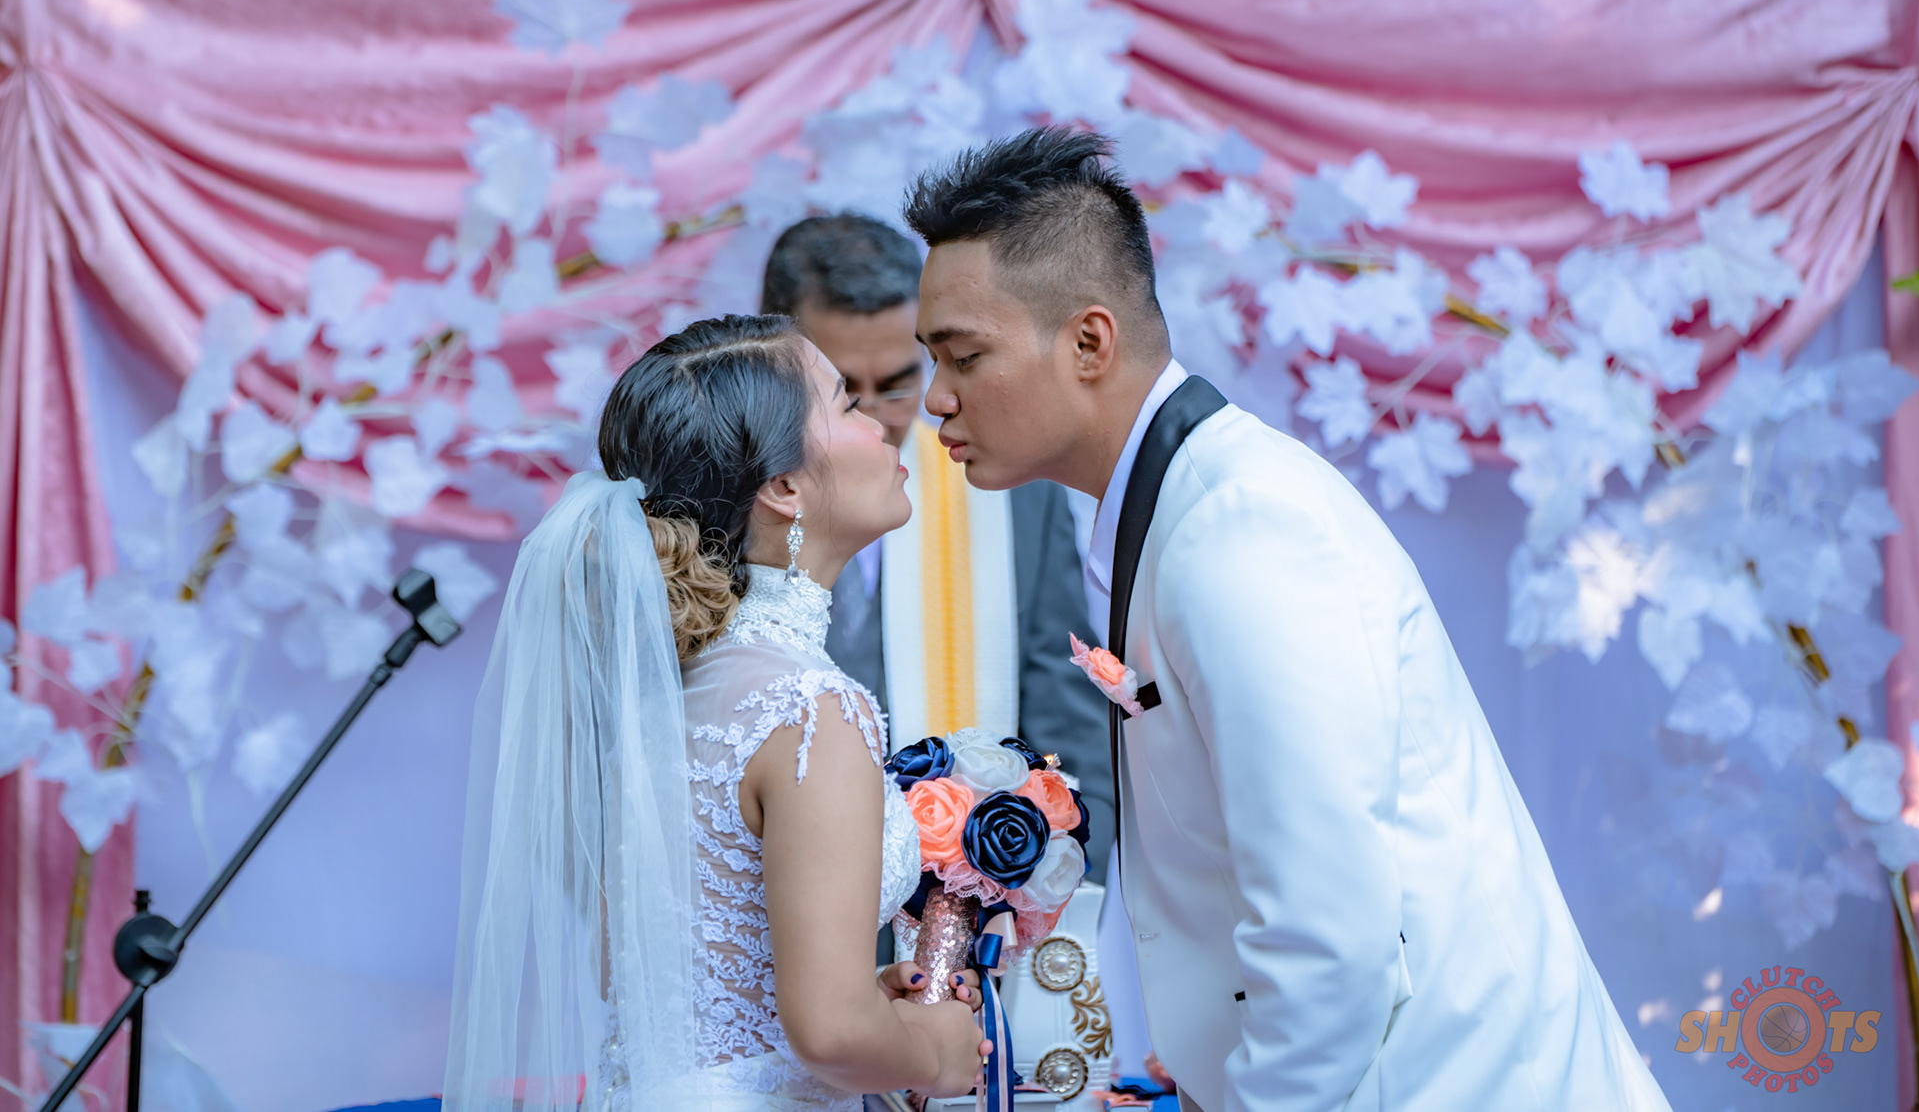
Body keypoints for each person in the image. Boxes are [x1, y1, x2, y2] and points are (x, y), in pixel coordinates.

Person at [903, 128, 1672, 1112]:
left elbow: (1328, 930)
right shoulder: (1180, 503)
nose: (936, 398)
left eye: (964, 356)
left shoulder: (1242, 528)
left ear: (1089, 342)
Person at [443, 314, 990, 1112]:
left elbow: (653, 972)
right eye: (845, 404)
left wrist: (860, 998)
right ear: (785, 487)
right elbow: (832, 1034)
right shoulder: (808, 707)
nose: (880, 425)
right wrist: (933, 1050)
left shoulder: (675, 687)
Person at [760, 215, 1114, 885]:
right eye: (843, 394)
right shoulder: (720, 512)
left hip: (970, 913)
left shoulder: (1010, 496)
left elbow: (1069, 736)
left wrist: (1059, 906)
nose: (874, 421)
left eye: (898, 384)